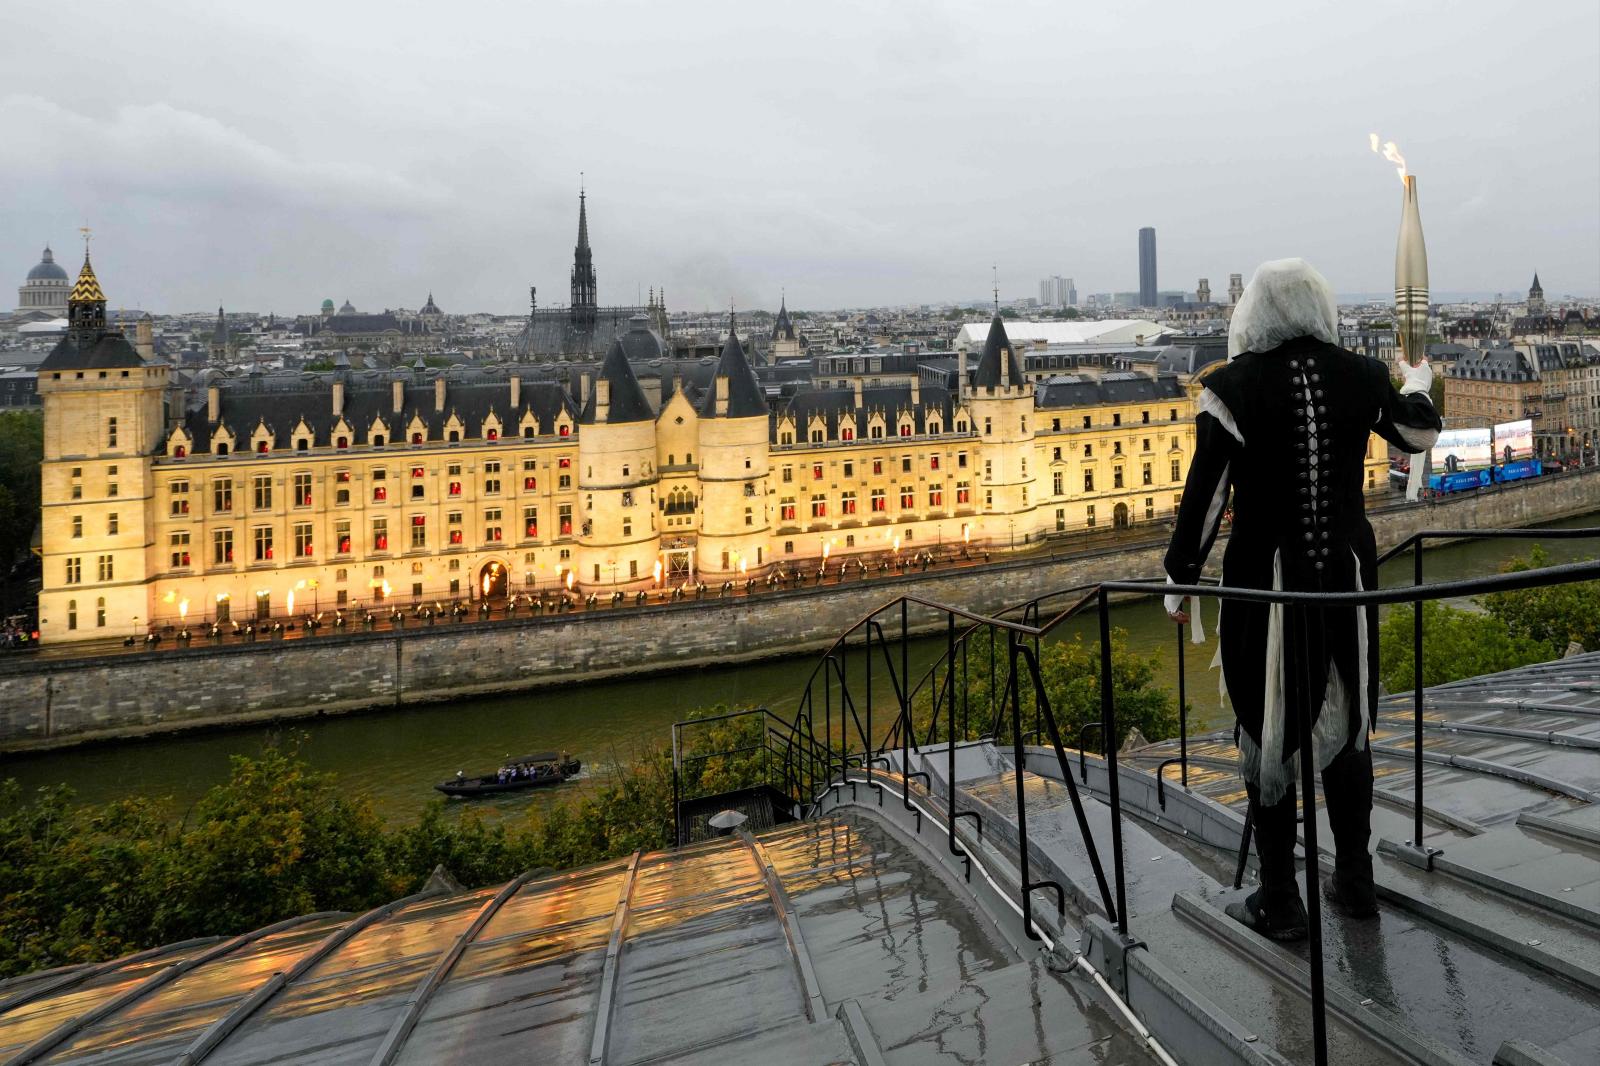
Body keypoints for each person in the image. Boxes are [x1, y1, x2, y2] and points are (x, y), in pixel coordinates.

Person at [1163, 259, 1441, 940]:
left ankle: (1282, 901)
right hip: (1346, 576)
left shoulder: (1230, 387)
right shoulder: (1360, 374)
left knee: (1266, 728)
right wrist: (1418, 382)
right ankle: (1355, 884)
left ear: (1253, 312)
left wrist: (1181, 580)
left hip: (1266, 579)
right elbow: (1419, 435)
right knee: (1347, 725)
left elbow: (1207, 500)